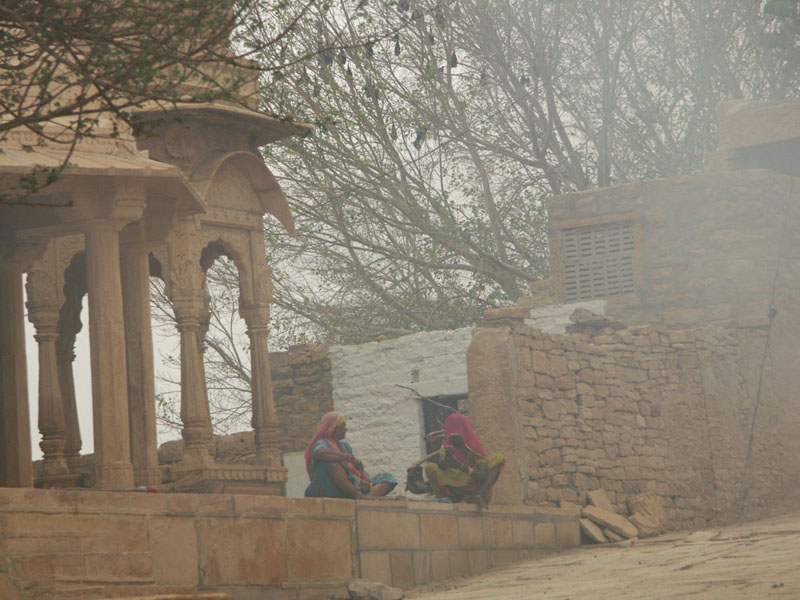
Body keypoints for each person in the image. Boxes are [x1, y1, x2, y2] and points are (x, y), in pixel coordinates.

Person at [304, 411, 397, 499]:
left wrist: (364, 478)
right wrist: (349, 458)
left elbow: (357, 469)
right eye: (343, 425)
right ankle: (358, 495)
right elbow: (320, 452)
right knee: (330, 462)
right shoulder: (322, 442)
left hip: (351, 486)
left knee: (387, 478)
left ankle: (368, 497)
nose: (346, 429)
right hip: (330, 487)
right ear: (334, 428)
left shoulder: (345, 447)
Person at [424, 413, 504, 506]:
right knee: (430, 467)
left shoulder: (473, 448)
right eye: (450, 433)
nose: (453, 436)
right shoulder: (446, 447)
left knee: (499, 458)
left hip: (472, 486)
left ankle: (478, 496)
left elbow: (484, 476)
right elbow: (441, 466)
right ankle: (443, 498)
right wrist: (446, 459)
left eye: (456, 433)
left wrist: (462, 467)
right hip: (453, 489)